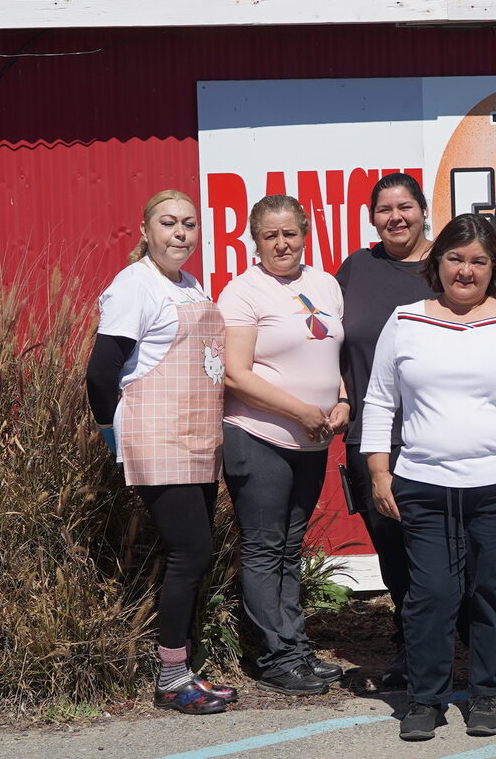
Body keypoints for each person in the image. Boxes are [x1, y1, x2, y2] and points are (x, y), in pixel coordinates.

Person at [361, 214, 496, 742]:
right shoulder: (405, 320)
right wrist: (377, 470)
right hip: (424, 484)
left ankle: (487, 693)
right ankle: (426, 698)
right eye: (456, 258)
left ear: (494, 268)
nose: (466, 270)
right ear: (438, 263)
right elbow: (379, 398)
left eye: (479, 261)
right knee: (430, 595)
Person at [85, 189, 235, 715]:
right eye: (168, 223)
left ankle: (186, 667)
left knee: (198, 552)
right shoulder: (134, 286)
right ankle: (171, 677)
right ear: (145, 231)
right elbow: (101, 373)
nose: (180, 233)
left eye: (189, 225)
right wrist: (112, 435)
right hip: (157, 433)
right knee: (189, 551)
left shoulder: (190, 285)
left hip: (196, 435)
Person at [217, 194, 348, 696]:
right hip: (259, 437)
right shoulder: (242, 293)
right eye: (269, 235)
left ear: (305, 233)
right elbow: (235, 373)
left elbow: (334, 357)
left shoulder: (325, 285)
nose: (281, 243)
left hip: (312, 442)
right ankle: (275, 656)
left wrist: (342, 401)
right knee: (265, 547)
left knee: (291, 548)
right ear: (255, 241)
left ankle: (295, 647)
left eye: (289, 232)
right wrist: (298, 411)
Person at [336, 172, 434, 686]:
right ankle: (412, 646)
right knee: (394, 551)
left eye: (405, 206)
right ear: (373, 218)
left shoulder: (450, 266)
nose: (396, 217)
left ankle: (478, 645)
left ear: (423, 210)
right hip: (372, 437)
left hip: (440, 432)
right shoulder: (355, 268)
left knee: (449, 546)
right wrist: (338, 396)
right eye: (384, 209)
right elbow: (326, 341)